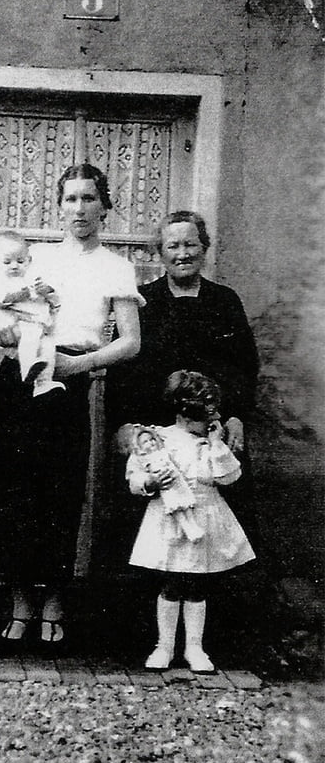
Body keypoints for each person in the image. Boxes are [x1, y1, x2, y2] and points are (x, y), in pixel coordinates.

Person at [0, 163, 143, 649]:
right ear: (59, 205)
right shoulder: (35, 262)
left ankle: (53, 603)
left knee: (59, 493)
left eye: (89, 198)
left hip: (68, 379)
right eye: (70, 199)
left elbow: (131, 343)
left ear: (105, 205)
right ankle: (19, 605)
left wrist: (84, 364)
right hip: (19, 378)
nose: (79, 208)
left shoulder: (116, 266)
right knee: (12, 490)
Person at [106, 209, 260, 568]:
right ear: (160, 252)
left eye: (191, 244)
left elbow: (244, 367)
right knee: (148, 537)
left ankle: (220, 618)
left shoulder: (224, 301)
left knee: (222, 531)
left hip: (213, 432)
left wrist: (236, 416)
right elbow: (121, 370)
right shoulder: (142, 302)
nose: (183, 253)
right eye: (173, 245)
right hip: (154, 436)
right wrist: (123, 424)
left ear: (204, 248)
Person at [126, 371, 255, 672]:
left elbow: (229, 477)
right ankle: (164, 647)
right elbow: (135, 477)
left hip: (205, 516)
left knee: (197, 585)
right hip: (170, 519)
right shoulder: (158, 439)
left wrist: (217, 445)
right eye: (206, 415)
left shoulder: (211, 442)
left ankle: (194, 648)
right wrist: (150, 480)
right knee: (171, 584)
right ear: (185, 413)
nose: (214, 420)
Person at [0, 232, 65, 397]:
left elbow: (56, 300)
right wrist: (16, 295)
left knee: (47, 347)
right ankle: (27, 372)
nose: (15, 266)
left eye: (20, 261)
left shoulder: (33, 276)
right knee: (29, 339)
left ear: (29, 260)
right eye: (7, 262)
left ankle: (44, 382)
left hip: (41, 325)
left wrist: (47, 290)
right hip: (19, 324)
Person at [129, 425, 204, 543]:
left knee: (187, 503)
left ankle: (192, 526)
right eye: (145, 442)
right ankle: (186, 529)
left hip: (181, 483)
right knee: (174, 506)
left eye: (152, 439)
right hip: (166, 489)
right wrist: (149, 481)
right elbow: (135, 477)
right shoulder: (142, 459)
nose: (151, 443)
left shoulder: (165, 449)